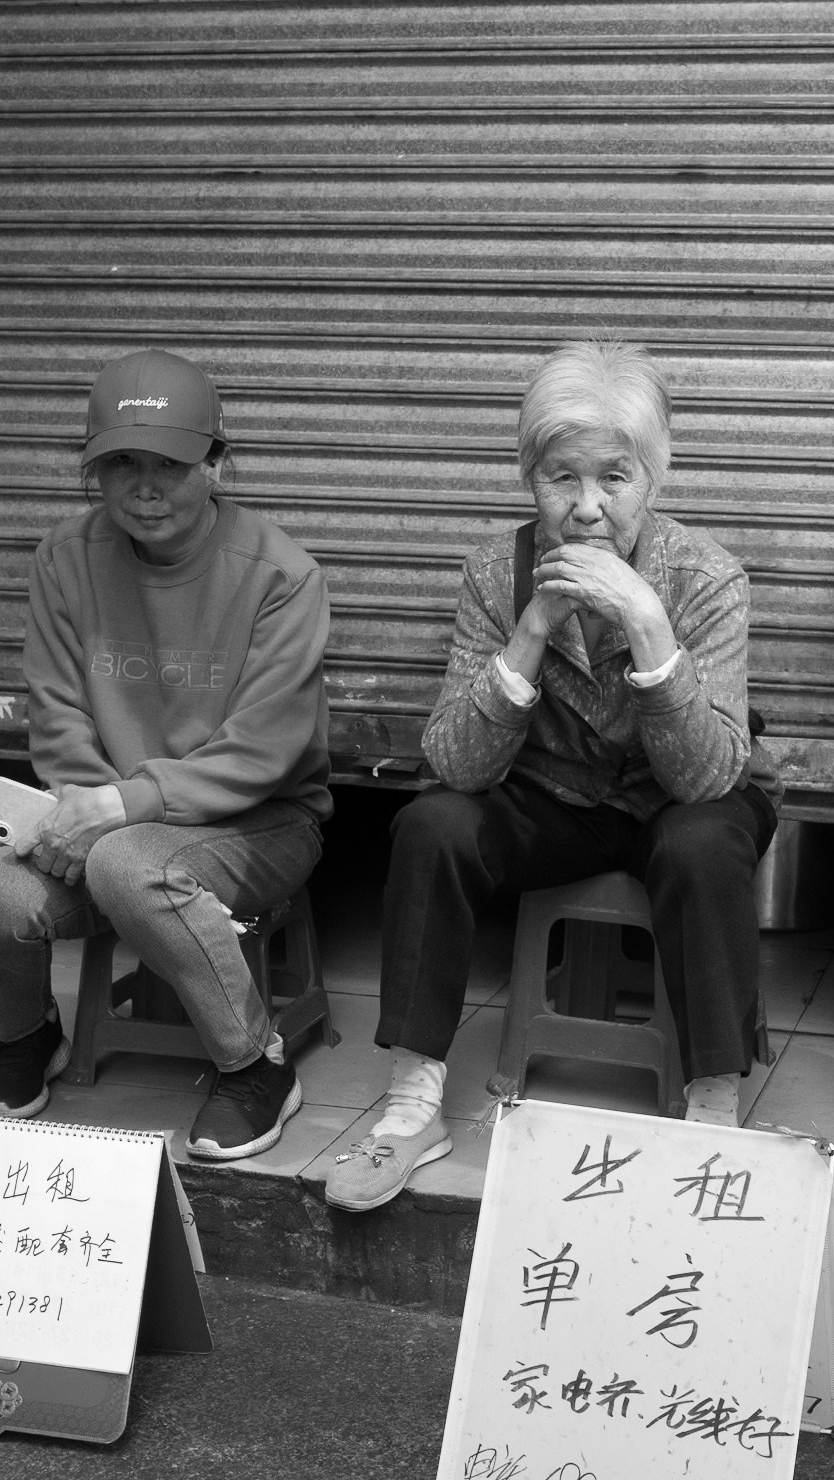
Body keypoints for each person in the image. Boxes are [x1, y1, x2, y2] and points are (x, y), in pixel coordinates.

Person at [328, 339, 777, 1212]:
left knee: (703, 844)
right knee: (434, 824)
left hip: (677, 797)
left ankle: (714, 1105)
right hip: (553, 798)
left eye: (615, 478)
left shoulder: (706, 577)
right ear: (527, 474)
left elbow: (710, 775)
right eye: (560, 478)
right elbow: (455, 762)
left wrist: (649, 627)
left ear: (657, 475)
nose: (586, 508)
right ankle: (413, 1101)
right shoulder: (496, 571)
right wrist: (531, 629)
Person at [0, 349, 333, 1167]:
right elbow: (56, 710)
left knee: (133, 863)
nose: (145, 485)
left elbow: (266, 750)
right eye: (120, 463)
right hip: (103, 817)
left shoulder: (280, 575)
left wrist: (124, 807)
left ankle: (255, 1062)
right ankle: (28, 1036)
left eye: (169, 462)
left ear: (217, 462)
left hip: (260, 822)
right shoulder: (66, 557)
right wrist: (90, 805)